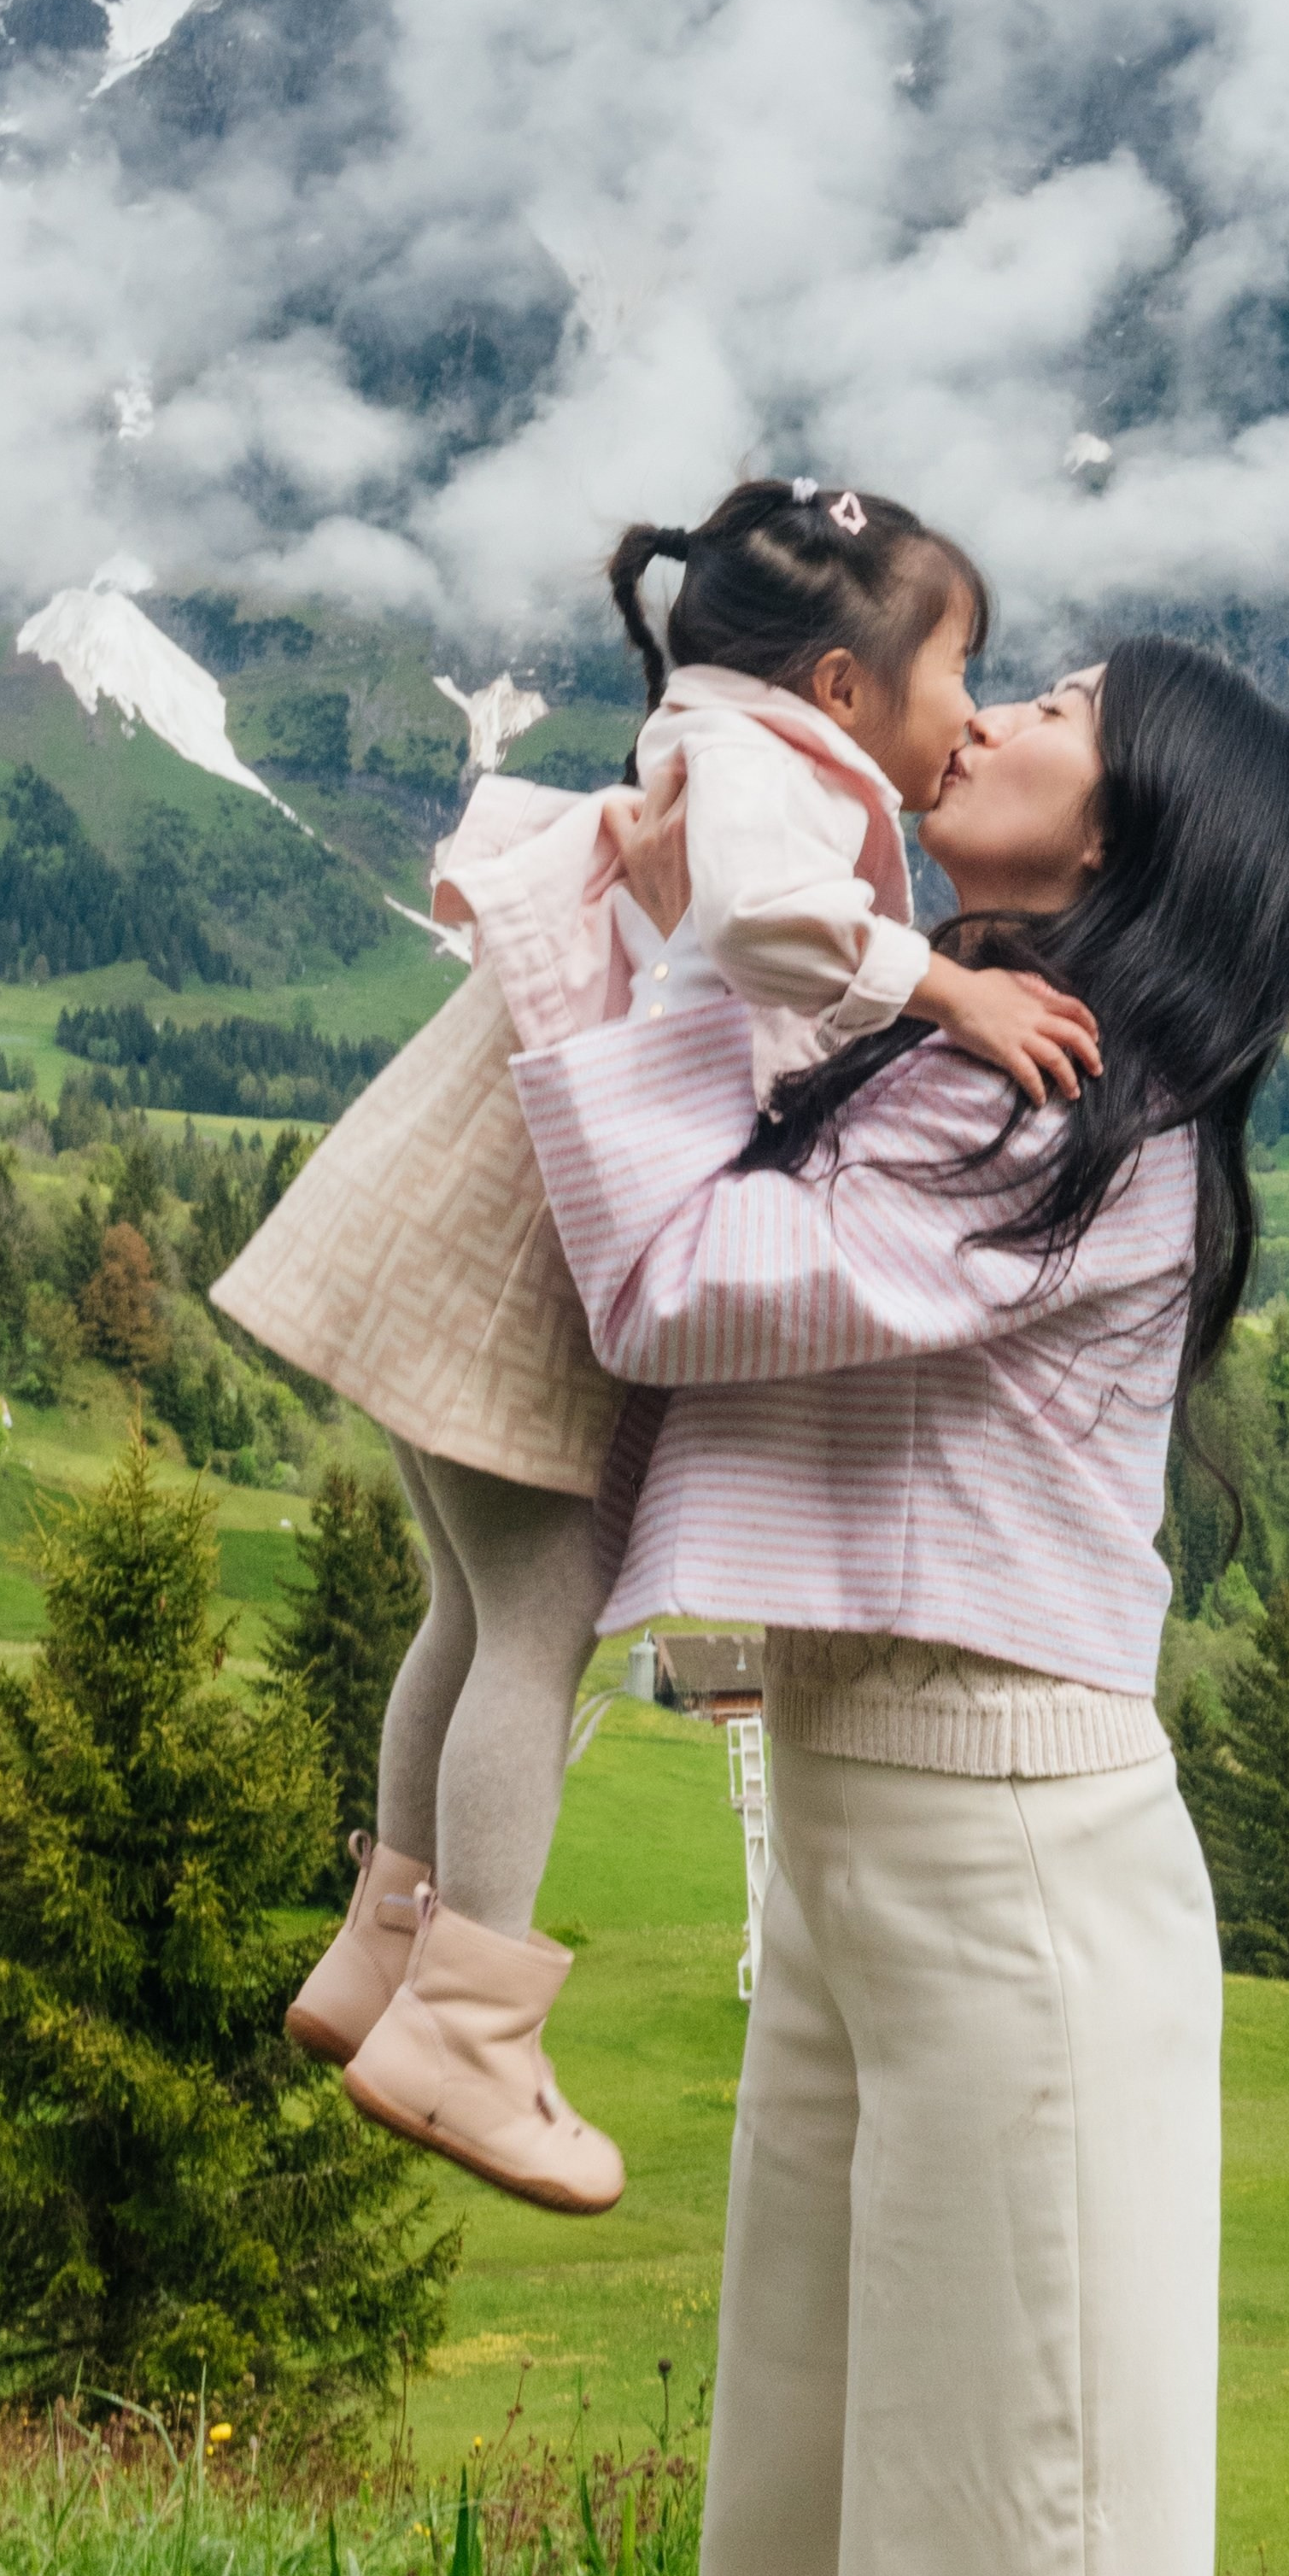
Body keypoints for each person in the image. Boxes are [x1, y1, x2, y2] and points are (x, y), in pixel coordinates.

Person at [514, 635, 1289, 2576]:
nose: (980, 718)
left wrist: (572, 975)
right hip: (852, 1825)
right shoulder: (954, 1047)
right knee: (801, 2519)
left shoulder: (1084, 1134)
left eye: (1053, 714)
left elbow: (676, 1288)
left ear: (1127, 834)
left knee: (1014, 2543)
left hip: (1013, 1868)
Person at [210, 478, 1096, 2216]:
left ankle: (381, 1953)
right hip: (529, 1230)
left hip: (467, 1190)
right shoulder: (776, 775)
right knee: (539, 1629)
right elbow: (757, 923)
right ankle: (471, 2023)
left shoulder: (735, 735)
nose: (974, 708)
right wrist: (951, 988)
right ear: (844, 685)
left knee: (467, 1614)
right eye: (959, 664)